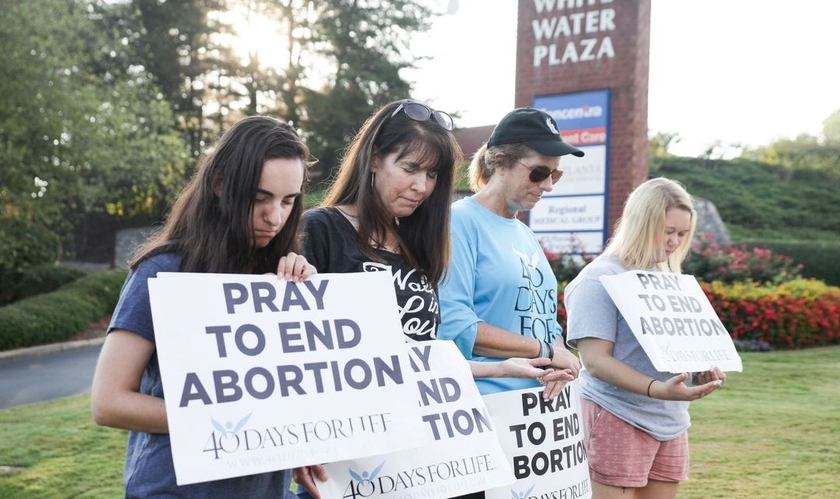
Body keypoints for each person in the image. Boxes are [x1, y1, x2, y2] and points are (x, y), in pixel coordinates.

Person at [295, 100, 574, 499]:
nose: (421, 186)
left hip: (428, 453)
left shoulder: (421, 241)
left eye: (432, 174)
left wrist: (504, 368)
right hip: (353, 463)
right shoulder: (320, 230)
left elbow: (423, 356)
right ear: (373, 160)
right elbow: (296, 357)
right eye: (409, 169)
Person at [90, 115, 316, 498]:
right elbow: (108, 402)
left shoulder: (278, 274)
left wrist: (301, 297)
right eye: (259, 198)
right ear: (220, 184)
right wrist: (234, 422)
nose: (275, 217)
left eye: (288, 201)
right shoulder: (163, 271)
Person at [563, 177, 726, 499]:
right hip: (616, 415)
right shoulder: (599, 279)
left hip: (671, 420)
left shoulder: (669, 281)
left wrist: (701, 368)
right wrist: (657, 389)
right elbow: (595, 362)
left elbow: (674, 348)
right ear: (641, 223)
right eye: (668, 231)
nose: (674, 242)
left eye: (682, 234)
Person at [437, 107, 583, 398]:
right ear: (501, 163)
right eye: (540, 172)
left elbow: (544, 319)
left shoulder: (524, 233)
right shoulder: (459, 222)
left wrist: (560, 358)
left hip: (535, 410)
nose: (549, 185)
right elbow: (455, 323)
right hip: (487, 404)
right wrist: (547, 351)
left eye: (556, 174)